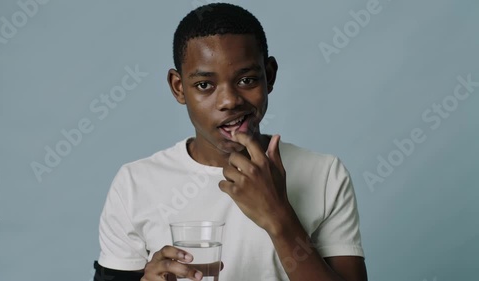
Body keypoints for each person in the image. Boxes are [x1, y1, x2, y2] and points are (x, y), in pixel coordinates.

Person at [94, 3, 368, 281]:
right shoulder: (135, 184)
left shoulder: (324, 174)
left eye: (247, 80)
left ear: (269, 75)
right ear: (179, 87)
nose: (229, 101)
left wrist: (278, 216)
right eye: (204, 85)